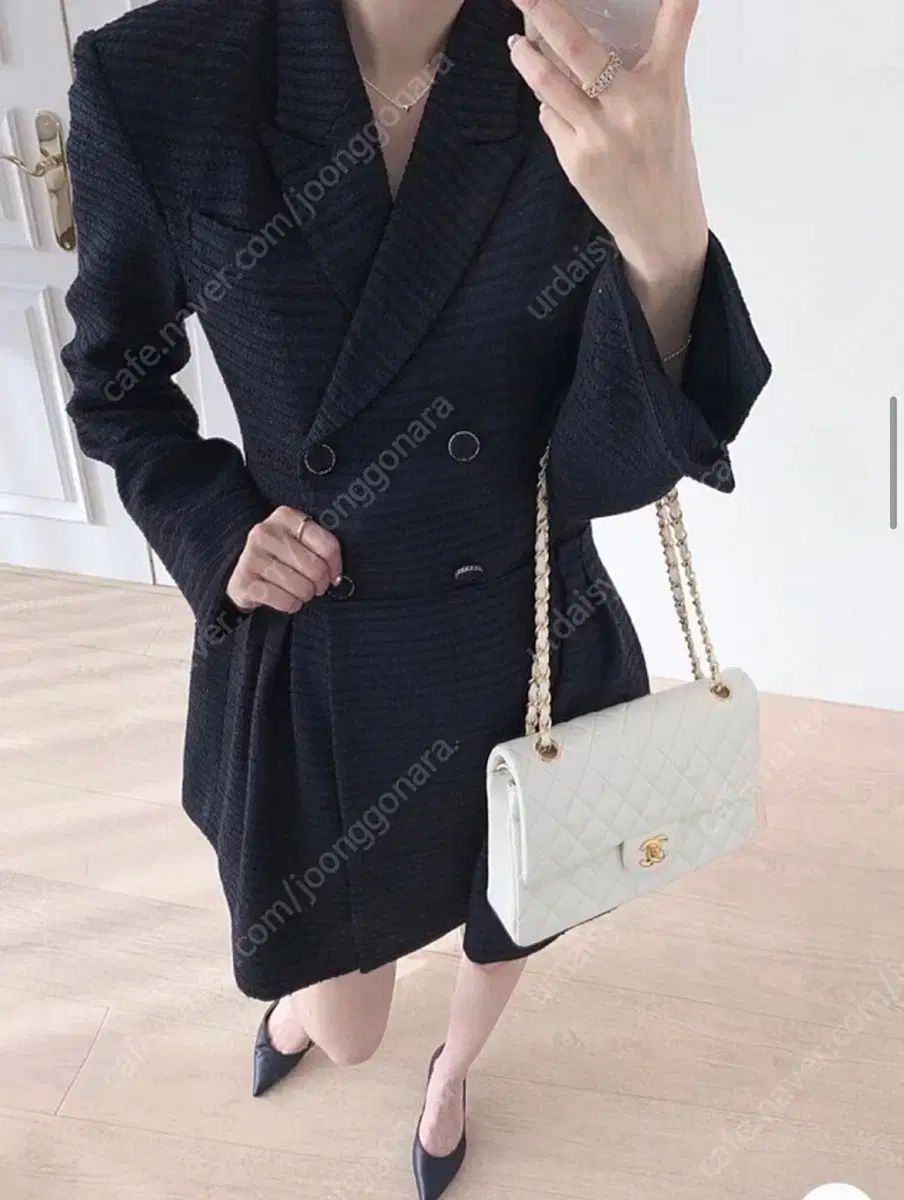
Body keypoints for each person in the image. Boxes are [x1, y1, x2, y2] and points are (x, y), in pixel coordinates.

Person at [62, 0, 770, 1194]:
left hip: (524, 621)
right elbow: (115, 385)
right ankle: (315, 1021)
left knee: (519, 899)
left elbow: (598, 473)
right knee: (344, 1023)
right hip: (327, 646)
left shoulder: (573, 63)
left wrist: (668, 253)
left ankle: (455, 1072)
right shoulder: (159, 71)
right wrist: (219, 525)